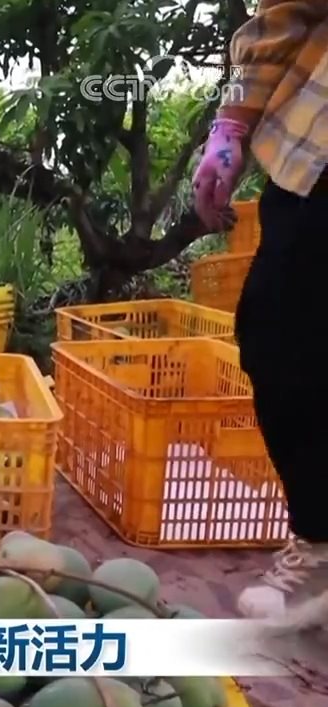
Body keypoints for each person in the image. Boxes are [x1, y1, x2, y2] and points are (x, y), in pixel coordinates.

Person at [192, 2, 328, 628]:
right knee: (278, 338)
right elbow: (285, 14)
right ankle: (320, 538)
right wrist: (230, 126)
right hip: (315, 161)